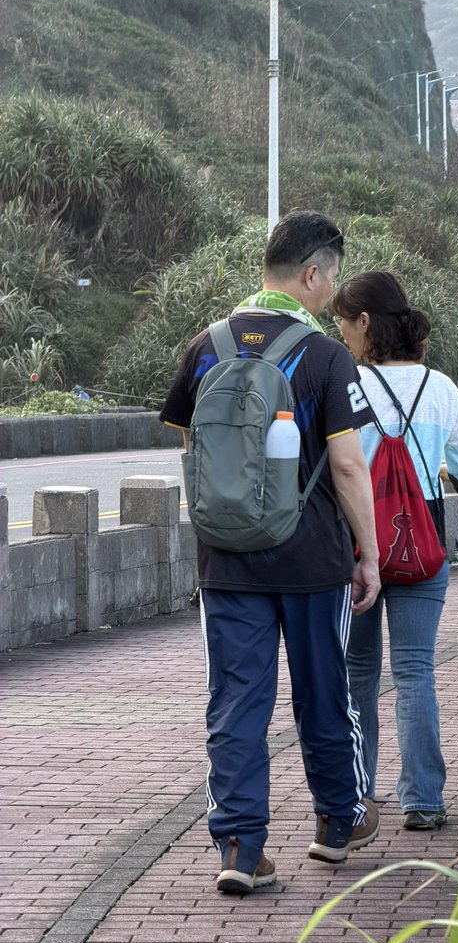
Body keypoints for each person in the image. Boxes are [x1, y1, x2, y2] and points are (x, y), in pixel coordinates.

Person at [160, 210, 382, 894]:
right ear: (311, 273)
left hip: (227, 563)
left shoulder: (205, 346)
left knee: (234, 702)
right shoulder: (324, 355)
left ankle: (238, 847)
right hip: (313, 561)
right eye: (332, 279)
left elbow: (192, 451)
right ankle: (337, 823)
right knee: (325, 694)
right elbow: (348, 467)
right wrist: (368, 554)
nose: (331, 293)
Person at [331, 271, 458, 831]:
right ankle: (423, 800)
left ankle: (355, 801)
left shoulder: (345, 384)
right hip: (421, 545)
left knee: (358, 676)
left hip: (355, 550)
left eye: (343, 322)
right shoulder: (440, 388)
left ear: (366, 323)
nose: (341, 333)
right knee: (415, 673)